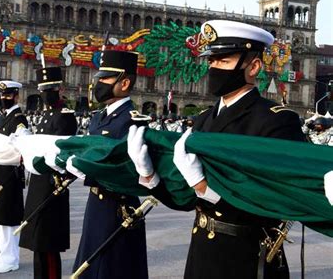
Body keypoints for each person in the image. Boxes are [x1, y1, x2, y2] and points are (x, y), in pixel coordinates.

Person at [128, 20, 306, 279]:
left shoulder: (275, 120)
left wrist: (204, 187)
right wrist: (149, 176)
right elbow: (187, 201)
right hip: (202, 253)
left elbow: (277, 201)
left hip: (245, 257)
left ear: (253, 67)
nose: (213, 68)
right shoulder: (204, 120)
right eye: (211, 61)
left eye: (223, 61)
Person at [71, 50, 149, 279]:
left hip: (118, 208)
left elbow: (128, 170)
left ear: (124, 83)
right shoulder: (98, 117)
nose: (98, 82)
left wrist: (89, 170)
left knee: (112, 269)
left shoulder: (132, 120)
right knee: (90, 266)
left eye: (105, 78)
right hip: (96, 204)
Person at [19, 66, 78, 279]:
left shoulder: (65, 116)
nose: (46, 93)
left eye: (50, 88)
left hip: (53, 185)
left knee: (48, 243)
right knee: (37, 241)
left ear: (60, 89)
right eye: (43, 89)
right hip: (38, 182)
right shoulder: (45, 115)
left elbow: (62, 153)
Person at [0, 80, 28, 274]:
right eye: (2, 95)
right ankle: (4, 255)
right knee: (0, 216)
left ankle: (11, 259)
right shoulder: (6, 116)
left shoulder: (19, 119)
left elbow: (19, 147)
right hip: (0, 169)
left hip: (10, 173)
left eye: (8, 95)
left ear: (16, 96)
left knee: (9, 218)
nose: (4, 99)